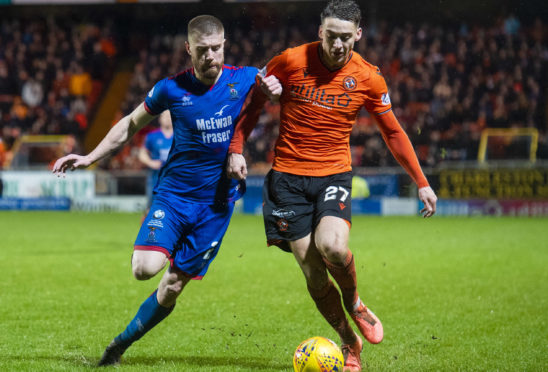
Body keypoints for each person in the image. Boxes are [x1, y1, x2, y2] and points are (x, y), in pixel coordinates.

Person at [52, 15, 281, 366]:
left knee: (173, 286)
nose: (210, 57)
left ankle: (118, 347)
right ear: (188, 49)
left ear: (225, 45)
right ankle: (158, 240)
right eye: (202, 50)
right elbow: (130, 124)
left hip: (216, 207)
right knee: (144, 269)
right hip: (174, 197)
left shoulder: (246, 79)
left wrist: (277, 87)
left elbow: (288, 74)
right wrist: (89, 157)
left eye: (216, 49)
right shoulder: (170, 89)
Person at [226, 1, 438, 371]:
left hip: (334, 174)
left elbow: (392, 132)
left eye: (346, 38)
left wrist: (421, 181)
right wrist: (236, 150)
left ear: (358, 34)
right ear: (320, 31)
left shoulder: (368, 77)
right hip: (287, 180)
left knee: (333, 247)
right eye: (331, 36)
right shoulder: (290, 62)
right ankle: (348, 342)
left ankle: (355, 302)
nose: (338, 45)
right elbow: (253, 103)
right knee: (314, 273)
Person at [138, 110, 173, 205]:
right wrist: (150, 162)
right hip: (156, 179)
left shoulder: (180, 136)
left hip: (176, 179)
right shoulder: (152, 136)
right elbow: (142, 153)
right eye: (164, 116)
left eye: (169, 116)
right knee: (151, 207)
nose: (167, 118)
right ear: (160, 119)